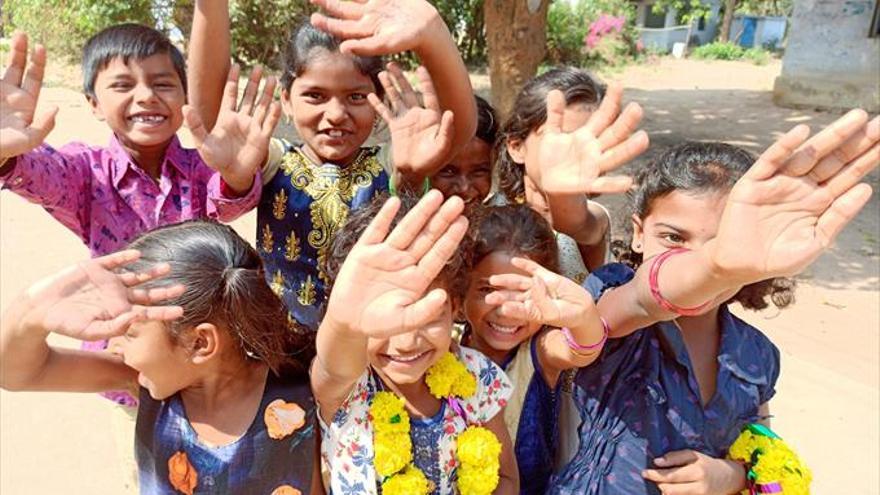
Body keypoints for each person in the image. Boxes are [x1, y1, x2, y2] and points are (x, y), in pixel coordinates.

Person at [551, 110, 879, 494]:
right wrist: (718, 266)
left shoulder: (755, 353)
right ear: (639, 234)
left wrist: (732, 475)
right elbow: (643, 301)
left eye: (720, 243)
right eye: (674, 238)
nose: (697, 259)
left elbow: (761, 447)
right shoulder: (611, 300)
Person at [0, 25, 278, 406]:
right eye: (122, 85)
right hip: (127, 365)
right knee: (145, 459)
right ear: (93, 103)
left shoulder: (203, 165)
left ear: (185, 97)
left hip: (202, 354)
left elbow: (227, 203)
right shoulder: (85, 172)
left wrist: (238, 174)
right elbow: (36, 173)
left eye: (163, 84)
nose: (146, 96)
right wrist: (4, 152)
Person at [186, 0, 477, 331]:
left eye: (355, 97)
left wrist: (433, 32)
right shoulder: (274, 160)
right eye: (315, 96)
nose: (337, 114)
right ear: (286, 99)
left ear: (378, 99)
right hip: (282, 350)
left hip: (369, 347)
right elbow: (209, 123)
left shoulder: (390, 163)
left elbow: (457, 132)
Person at [0, 221, 318, 494]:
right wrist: (30, 312)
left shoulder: (303, 396)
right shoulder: (144, 385)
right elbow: (16, 374)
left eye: (130, 333)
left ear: (199, 343)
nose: (112, 346)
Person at [316, 191, 518, 494]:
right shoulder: (346, 388)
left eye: (428, 318)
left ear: (454, 308)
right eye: (383, 322)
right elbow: (333, 364)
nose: (406, 342)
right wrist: (343, 321)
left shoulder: (477, 378)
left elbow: (507, 480)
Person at [459, 203, 607, 494]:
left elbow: (583, 348)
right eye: (488, 290)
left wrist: (583, 316)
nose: (507, 312)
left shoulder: (539, 351)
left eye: (525, 294)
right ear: (460, 289)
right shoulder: (444, 346)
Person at [496, 67, 649, 277]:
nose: (574, 155)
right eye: (563, 141)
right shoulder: (487, 215)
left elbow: (577, 225)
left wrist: (562, 195)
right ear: (516, 147)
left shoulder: (596, 218)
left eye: (589, 143)